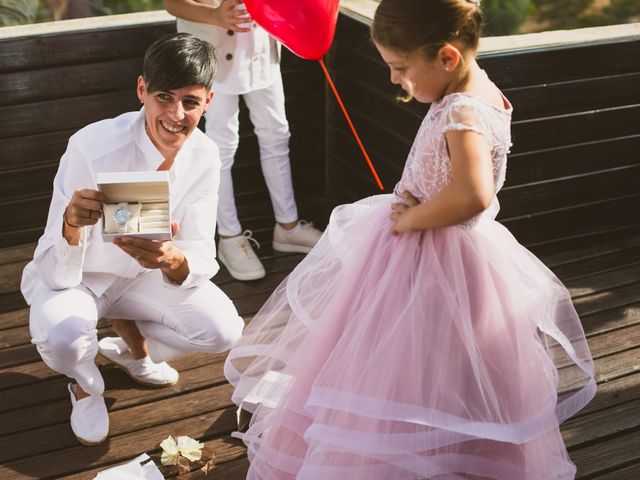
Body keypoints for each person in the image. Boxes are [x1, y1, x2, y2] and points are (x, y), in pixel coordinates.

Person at [223, 0, 597, 477]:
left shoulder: (462, 110)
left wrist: (411, 220)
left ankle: (407, 448)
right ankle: (448, 441)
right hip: (453, 255)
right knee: (448, 363)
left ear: (446, 57)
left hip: (432, 257)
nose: (395, 80)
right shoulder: (479, 91)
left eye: (400, 68)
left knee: (405, 363)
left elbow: (474, 194)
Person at [21, 33, 244, 446]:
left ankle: (130, 351)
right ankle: (86, 384)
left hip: (148, 280)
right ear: (142, 90)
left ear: (209, 101)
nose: (177, 115)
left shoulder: (207, 155)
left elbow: (198, 251)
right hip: (83, 277)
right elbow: (53, 267)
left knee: (223, 331)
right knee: (62, 339)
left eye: (191, 102)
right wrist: (72, 224)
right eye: (164, 96)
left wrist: (171, 260)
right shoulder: (90, 146)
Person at [164, 0, 322, 281]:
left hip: (263, 47)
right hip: (211, 52)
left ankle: (288, 227)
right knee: (220, 147)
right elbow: (172, 3)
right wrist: (214, 15)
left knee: (276, 134)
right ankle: (229, 236)